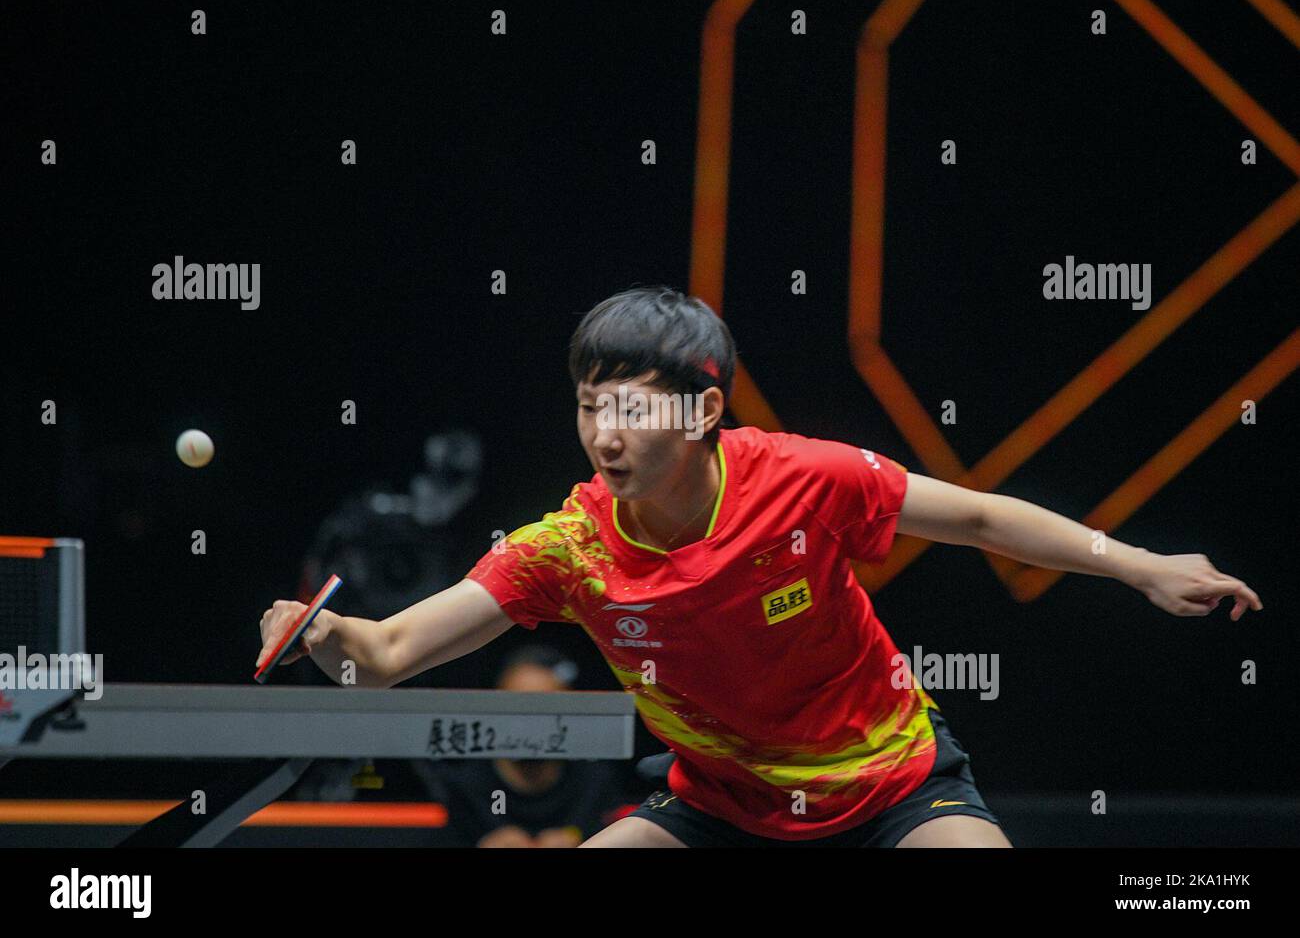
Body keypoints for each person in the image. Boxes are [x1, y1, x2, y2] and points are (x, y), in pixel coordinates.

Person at [256, 285, 1263, 848]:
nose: (602, 433)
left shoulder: (803, 478)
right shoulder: (569, 546)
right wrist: (320, 632)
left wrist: (1139, 566)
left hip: (889, 785)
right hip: (720, 805)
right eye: (586, 404)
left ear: (700, 409)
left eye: (630, 406)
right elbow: (383, 654)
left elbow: (983, 517)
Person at [413, 645, 637, 847]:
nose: (531, 720)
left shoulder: (594, 781)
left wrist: (582, 842)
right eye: (519, 705)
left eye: (546, 706)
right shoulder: (465, 787)